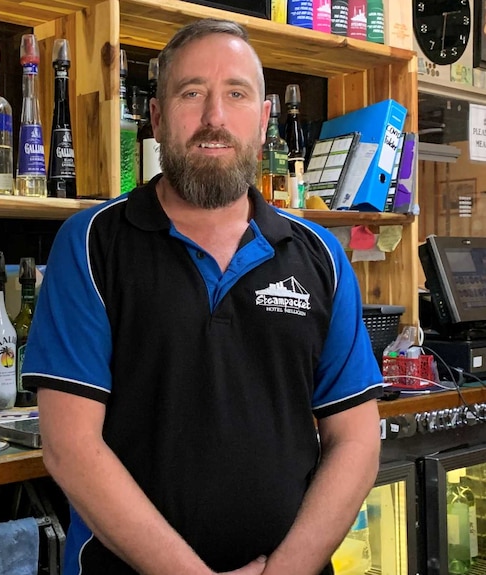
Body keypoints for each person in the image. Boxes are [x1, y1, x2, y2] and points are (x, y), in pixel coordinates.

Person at [20, 18, 383, 575]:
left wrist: (288, 568)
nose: (215, 118)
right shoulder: (93, 244)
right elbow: (69, 446)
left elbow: (355, 440)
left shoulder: (320, 257)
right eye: (192, 93)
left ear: (264, 121)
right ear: (159, 117)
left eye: (236, 94)